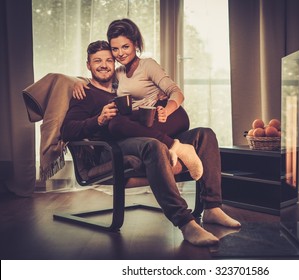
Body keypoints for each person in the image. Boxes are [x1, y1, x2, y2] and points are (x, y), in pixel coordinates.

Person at [61, 40, 241, 247]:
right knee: (154, 145)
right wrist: (98, 119)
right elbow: (67, 130)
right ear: (88, 65)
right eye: (97, 61)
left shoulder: (123, 86)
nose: (104, 65)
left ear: (114, 64)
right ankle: (185, 222)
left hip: (142, 137)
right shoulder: (84, 93)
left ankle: (212, 208)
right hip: (115, 149)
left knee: (205, 135)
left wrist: (159, 99)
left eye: (108, 60)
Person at [73, 18, 202, 180]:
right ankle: (170, 149)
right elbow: (99, 75)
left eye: (125, 47)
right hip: (143, 123)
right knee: (116, 123)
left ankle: (179, 149)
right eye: (115, 49)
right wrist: (78, 82)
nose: (120, 53)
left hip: (167, 117)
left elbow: (176, 92)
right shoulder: (118, 73)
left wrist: (166, 111)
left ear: (135, 44)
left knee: (117, 124)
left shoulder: (148, 65)